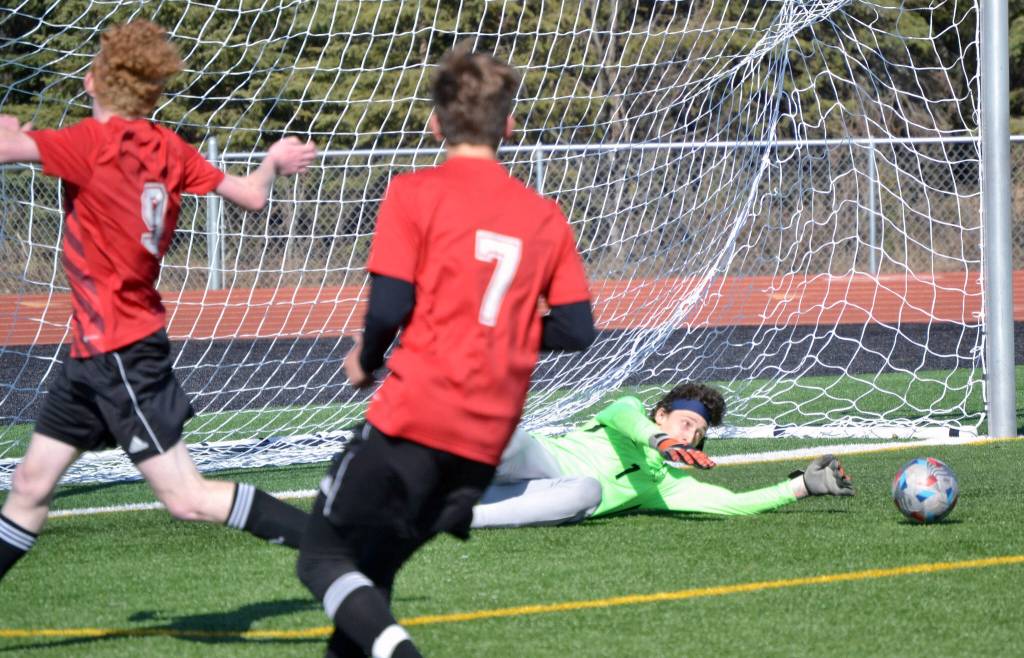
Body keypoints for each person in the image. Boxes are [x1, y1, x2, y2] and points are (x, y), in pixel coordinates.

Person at [296, 46, 596, 658]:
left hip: (416, 418)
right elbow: (576, 328)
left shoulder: (415, 192)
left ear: (435, 123)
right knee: (371, 576)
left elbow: (387, 309)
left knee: (322, 558)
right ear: (509, 125)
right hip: (484, 444)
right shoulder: (545, 215)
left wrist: (366, 359)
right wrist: (502, 332)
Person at [0, 20, 317, 584]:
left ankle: (332, 545)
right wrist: (271, 162)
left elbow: (5, 145)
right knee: (28, 487)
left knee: (187, 499)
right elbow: (250, 196)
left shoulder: (89, 145)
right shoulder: (167, 146)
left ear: (95, 81)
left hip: (120, 350)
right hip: (92, 354)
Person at [470, 382, 855, 529]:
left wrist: (801, 486)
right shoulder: (628, 412)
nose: (691, 436)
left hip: (512, 498)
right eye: (686, 423)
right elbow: (624, 416)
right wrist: (659, 440)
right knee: (509, 437)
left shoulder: (663, 486)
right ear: (660, 415)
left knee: (587, 492)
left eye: (699, 433)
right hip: (519, 461)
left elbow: (733, 503)